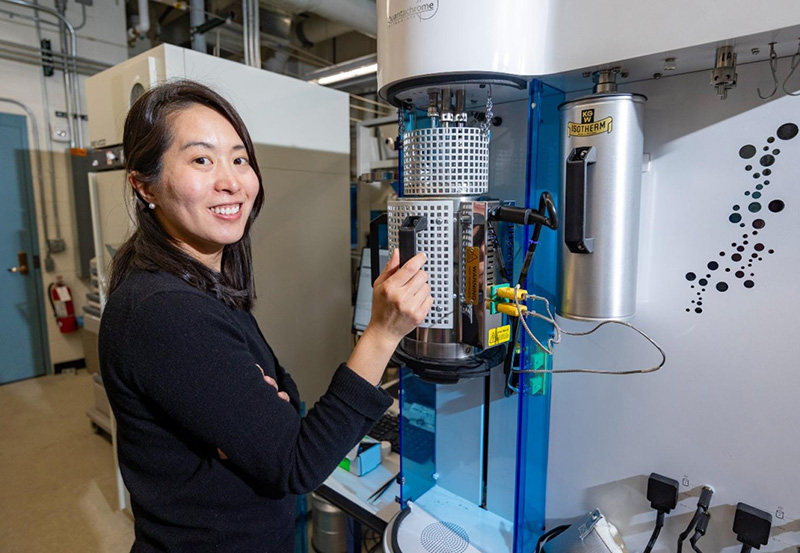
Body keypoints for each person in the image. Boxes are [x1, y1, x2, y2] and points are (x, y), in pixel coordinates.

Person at [99, 80, 432, 552]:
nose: (231, 181)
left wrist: (262, 424)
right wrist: (382, 333)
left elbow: (287, 396)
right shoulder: (165, 311)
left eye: (239, 159)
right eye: (201, 160)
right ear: (144, 184)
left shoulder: (204, 286)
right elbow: (296, 463)